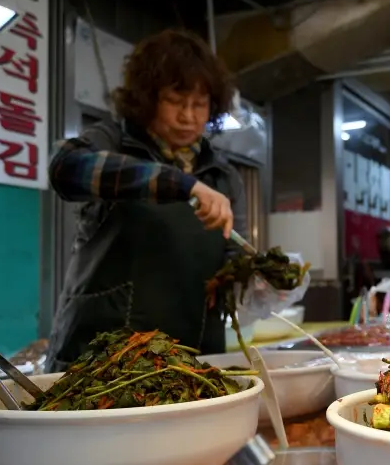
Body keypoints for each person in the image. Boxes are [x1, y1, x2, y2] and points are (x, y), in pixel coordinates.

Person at [46, 29, 247, 373]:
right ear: (147, 97)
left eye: (199, 105)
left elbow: (232, 251)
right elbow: (65, 168)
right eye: (175, 101)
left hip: (191, 358)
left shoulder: (222, 175)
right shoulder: (113, 140)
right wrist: (182, 184)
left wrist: (247, 277)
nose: (188, 116)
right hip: (104, 360)